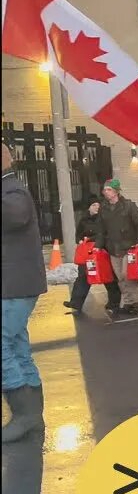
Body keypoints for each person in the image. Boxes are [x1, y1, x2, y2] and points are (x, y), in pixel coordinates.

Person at [2, 143, 49, 443]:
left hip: (15, 286)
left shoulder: (13, 190)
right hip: (13, 285)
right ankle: (32, 414)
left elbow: (16, 216)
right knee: (17, 345)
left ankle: (24, 414)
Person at [94, 178, 138, 316]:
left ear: (116, 191)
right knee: (120, 277)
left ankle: (137, 302)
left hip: (128, 247)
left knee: (127, 274)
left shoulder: (129, 206)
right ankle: (129, 302)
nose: (106, 192)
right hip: (113, 248)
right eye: (105, 190)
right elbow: (100, 229)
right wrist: (98, 246)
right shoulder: (103, 208)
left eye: (109, 190)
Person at [64, 196, 102, 314]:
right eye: (94, 205)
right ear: (89, 208)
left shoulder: (103, 219)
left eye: (98, 205)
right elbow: (78, 234)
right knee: (83, 276)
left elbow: (104, 233)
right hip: (86, 253)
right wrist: (80, 240)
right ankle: (76, 302)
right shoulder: (83, 220)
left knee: (106, 277)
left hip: (99, 251)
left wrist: (90, 239)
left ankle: (114, 302)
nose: (96, 207)